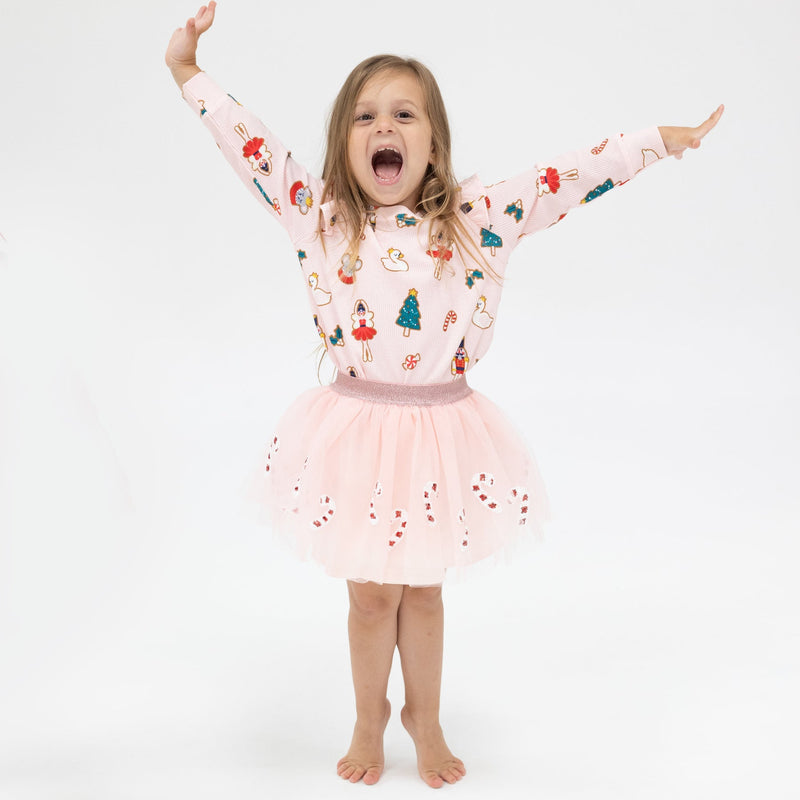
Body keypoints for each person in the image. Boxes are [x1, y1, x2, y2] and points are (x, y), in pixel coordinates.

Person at [165, 2, 722, 788]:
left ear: (432, 143)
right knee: (368, 598)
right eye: (363, 116)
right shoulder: (318, 215)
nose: (382, 127)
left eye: (402, 114)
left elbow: (568, 175)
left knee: (421, 594)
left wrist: (657, 143)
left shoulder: (475, 216)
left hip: (441, 430)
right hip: (355, 429)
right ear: (341, 143)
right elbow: (248, 145)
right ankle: (370, 715)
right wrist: (187, 71)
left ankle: (424, 714)